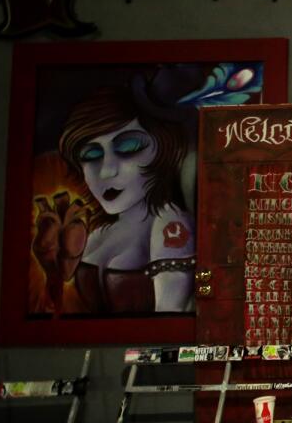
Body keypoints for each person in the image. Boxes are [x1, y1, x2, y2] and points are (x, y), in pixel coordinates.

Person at [40, 84, 195, 313]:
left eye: (130, 147)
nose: (106, 171)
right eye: (90, 155)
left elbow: (169, 319)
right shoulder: (97, 230)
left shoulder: (169, 225)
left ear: (162, 149)